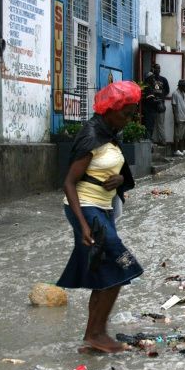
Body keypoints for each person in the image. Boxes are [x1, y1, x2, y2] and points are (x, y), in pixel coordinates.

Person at [57, 81, 143, 354]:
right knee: (121, 265)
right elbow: (69, 183)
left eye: (132, 114)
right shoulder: (92, 135)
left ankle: (92, 336)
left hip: (103, 210)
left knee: (102, 271)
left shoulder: (109, 134)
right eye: (125, 114)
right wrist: (83, 225)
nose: (128, 120)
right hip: (86, 209)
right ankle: (97, 334)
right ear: (110, 110)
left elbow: (117, 174)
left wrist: (118, 179)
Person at [151, 64, 170, 146]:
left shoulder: (163, 79)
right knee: (151, 124)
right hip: (152, 105)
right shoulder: (150, 79)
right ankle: (152, 140)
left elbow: (167, 90)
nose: (158, 70)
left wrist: (161, 97)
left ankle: (162, 140)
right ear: (153, 69)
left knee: (160, 124)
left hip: (161, 105)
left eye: (159, 68)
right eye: (156, 68)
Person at [171, 79, 185, 156]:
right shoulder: (175, 94)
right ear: (181, 86)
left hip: (184, 117)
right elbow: (174, 106)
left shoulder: (184, 94)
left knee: (183, 136)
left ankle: (182, 150)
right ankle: (176, 150)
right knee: (177, 135)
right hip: (179, 117)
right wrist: (176, 117)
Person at [141, 72, 158, 140]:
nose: (154, 79)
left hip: (151, 110)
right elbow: (149, 100)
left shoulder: (150, 86)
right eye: (152, 78)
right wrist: (156, 101)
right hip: (148, 111)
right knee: (148, 127)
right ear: (149, 79)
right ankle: (148, 141)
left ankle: (149, 140)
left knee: (150, 126)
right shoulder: (147, 87)